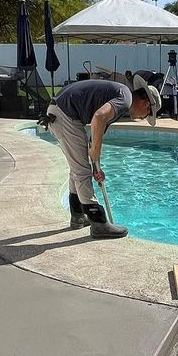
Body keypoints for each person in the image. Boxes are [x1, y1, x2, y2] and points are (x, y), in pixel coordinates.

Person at [46, 76, 161, 239]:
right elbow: (98, 118)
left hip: (62, 112)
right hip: (65, 114)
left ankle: (78, 215)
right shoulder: (125, 98)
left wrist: (96, 167)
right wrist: (96, 154)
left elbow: (96, 134)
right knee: (81, 170)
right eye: (147, 114)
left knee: (79, 167)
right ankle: (98, 222)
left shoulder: (119, 97)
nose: (143, 117)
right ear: (146, 104)